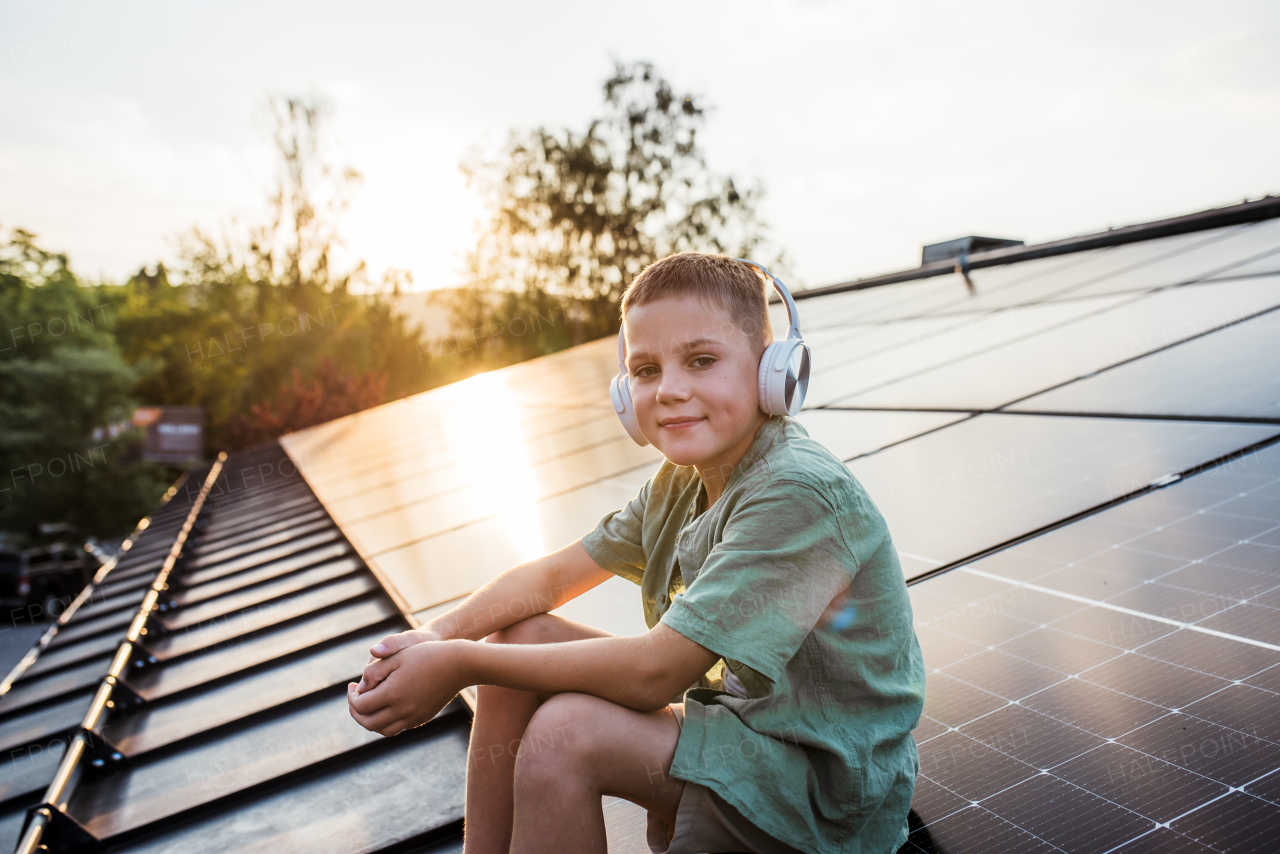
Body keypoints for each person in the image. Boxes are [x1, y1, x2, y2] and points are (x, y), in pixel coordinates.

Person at [348, 252, 925, 854]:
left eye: (702, 361)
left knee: (566, 734)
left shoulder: (796, 493)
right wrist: (437, 638)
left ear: (770, 370)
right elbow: (551, 576)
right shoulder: (682, 482)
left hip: (824, 796)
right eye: (646, 370)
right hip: (747, 734)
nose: (671, 390)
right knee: (520, 637)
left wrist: (460, 665)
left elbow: (656, 673)